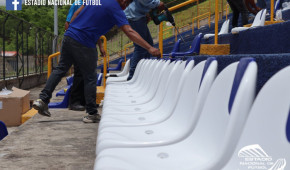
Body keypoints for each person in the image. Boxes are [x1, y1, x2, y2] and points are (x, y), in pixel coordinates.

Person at [32, 0, 161, 123]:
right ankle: (92, 113)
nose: (125, 6)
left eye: (127, 4)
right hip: (84, 42)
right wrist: (150, 48)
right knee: (90, 77)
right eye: (126, 2)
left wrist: (73, 31)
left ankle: (42, 99)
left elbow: (77, 14)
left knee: (60, 69)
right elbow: (129, 31)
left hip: (69, 36)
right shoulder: (115, 8)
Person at [64, 0, 104, 111]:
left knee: (90, 76)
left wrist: (100, 46)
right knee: (79, 73)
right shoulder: (77, 4)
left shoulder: (94, 5)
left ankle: (87, 102)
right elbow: (68, 23)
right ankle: (75, 101)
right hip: (78, 43)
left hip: (90, 45)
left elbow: (96, 28)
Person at [125, 0, 165, 80]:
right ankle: (132, 77)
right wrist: (157, 3)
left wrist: (146, 12)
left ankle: (143, 75)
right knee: (141, 48)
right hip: (134, 17)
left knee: (148, 44)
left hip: (136, 15)